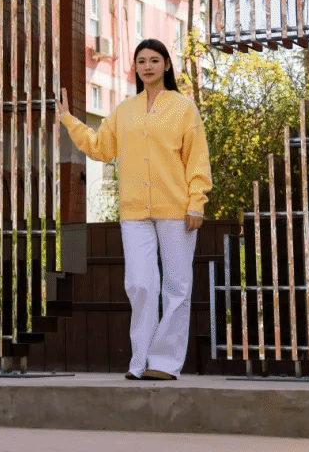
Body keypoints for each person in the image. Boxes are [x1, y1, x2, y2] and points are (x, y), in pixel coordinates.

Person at [57, 38, 211, 380]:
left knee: (177, 287)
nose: (147, 66)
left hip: (176, 209)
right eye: (141, 61)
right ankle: (140, 361)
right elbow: (100, 148)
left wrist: (197, 202)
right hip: (134, 212)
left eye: (154, 60)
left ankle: (165, 363)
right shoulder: (124, 110)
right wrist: (68, 119)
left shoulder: (184, 108)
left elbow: (197, 158)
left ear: (166, 65)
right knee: (140, 284)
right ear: (135, 68)